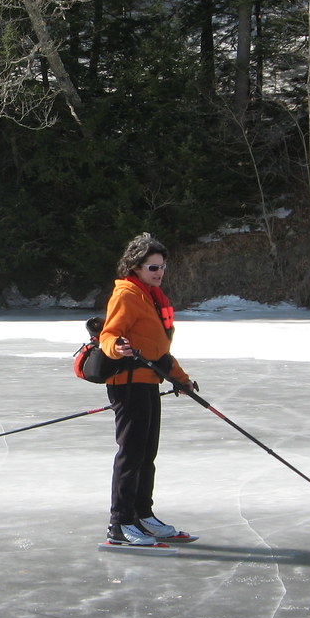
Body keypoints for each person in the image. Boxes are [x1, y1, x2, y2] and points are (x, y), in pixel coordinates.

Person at [97, 232, 196, 546]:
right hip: (127, 385)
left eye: (162, 267)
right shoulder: (126, 294)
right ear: (136, 267)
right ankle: (120, 524)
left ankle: (143, 515)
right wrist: (117, 348)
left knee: (147, 454)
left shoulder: (152, 295)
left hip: (149, 383)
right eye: (153, 267)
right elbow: (108, 335)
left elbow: (158, 351)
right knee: (131, 455)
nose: (159, 273)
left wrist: (180, 379)